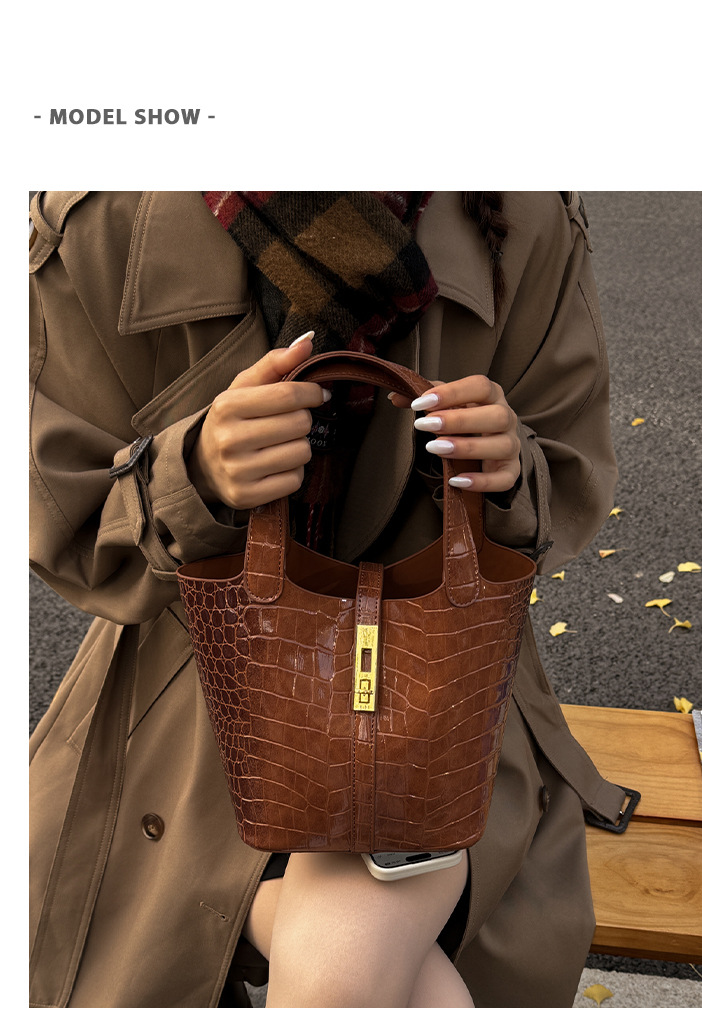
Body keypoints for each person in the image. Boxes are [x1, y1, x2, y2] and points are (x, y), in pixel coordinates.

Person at [29, 191, 628, 1009]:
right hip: (191, 697)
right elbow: (59, 517)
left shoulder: (523, 210)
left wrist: (507, 469)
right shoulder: (103, 219)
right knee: (379, 974)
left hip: (446, 694)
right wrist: (192, 474)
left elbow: (571, 471)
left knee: (346, 959)